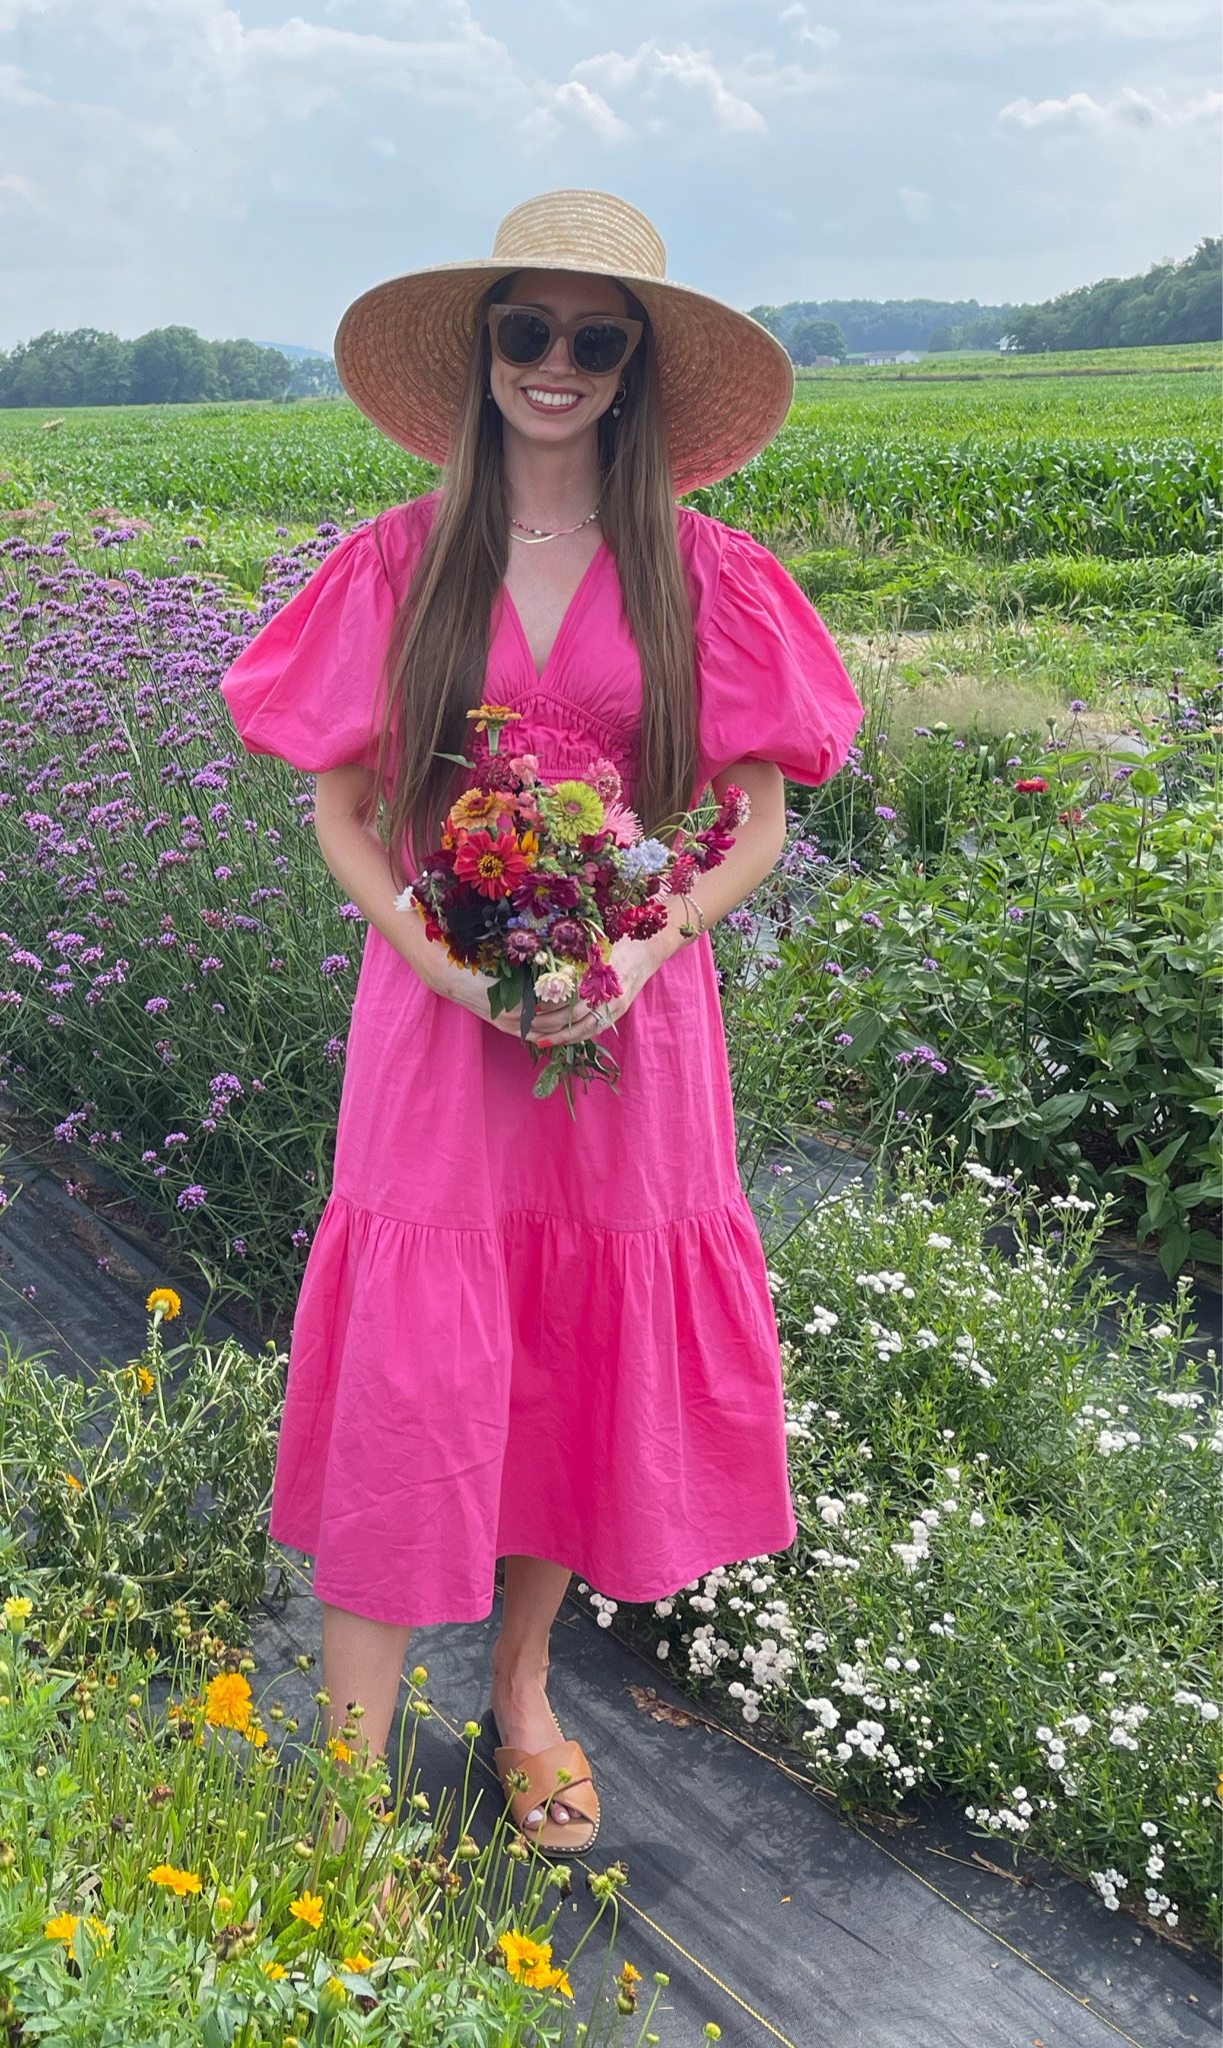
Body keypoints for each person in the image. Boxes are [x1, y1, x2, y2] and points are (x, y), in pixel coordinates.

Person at [220, 189, 863, 1854]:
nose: (556, 366)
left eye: (594, 338)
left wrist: (647, 951)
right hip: (438, 1032)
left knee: (576, 1353)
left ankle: (519, 1693)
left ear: (635, 366)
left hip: (630, 1030)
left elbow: (757, 824)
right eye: (529, 331)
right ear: (485, 352)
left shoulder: (704, 572)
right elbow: (347, 815)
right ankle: (345, 1791)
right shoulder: (399, 560)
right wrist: (441, 960)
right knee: (416, 1367)